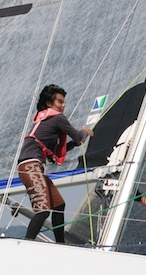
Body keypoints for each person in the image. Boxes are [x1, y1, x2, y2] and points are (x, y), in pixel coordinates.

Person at [19, 84, 93, 243]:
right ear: (49, 103)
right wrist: (86, 132)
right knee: (43, 210)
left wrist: (76, 143)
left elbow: (55, 153)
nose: (63, 105)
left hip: (32, 166)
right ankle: (26, 243)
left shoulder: (45, 119)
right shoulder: (58, 118)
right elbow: (78, 136)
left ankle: (60, 244)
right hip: (31, 166)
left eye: (63, 102)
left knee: (59, 205)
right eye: (60, 101)